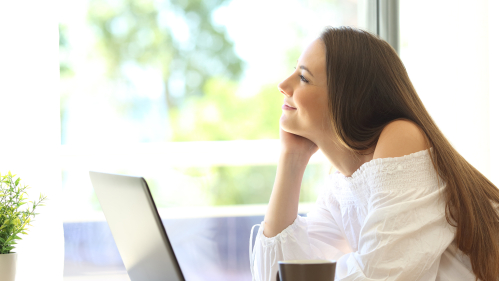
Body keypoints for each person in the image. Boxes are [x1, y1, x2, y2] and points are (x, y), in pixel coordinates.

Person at [249, 26, 499, 281]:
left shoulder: (402, 137)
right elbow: (277, 274)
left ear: (347, 97)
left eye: (303, 78)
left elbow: (379, 276)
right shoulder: (342, 182)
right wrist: (292, 158)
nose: (283, 85)